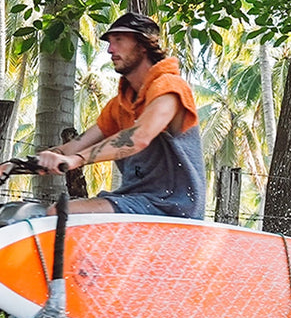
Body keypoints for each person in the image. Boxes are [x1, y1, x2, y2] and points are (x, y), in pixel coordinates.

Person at [36, 12, 206, 219]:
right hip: (134, 200)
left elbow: (138, 137)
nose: (110, 49)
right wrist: (10, 166)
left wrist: (76, 160)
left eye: (119, 40)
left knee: (59, 213)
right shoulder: (121, 104)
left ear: (143, 45)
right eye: (109, 42)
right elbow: (71, 148)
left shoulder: (170, 87)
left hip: (171, 207)